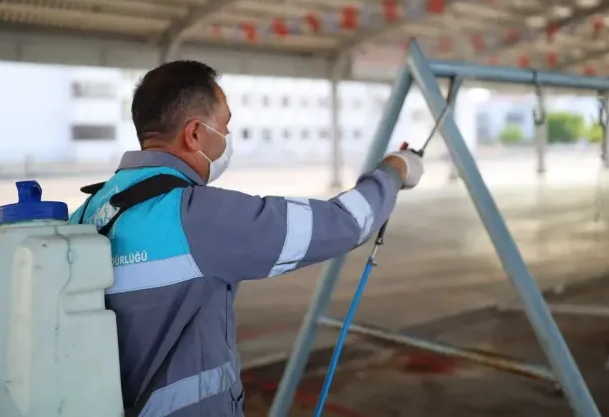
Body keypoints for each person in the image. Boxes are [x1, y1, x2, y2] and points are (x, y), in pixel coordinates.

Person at [69, 60, 424, 416]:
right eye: (224, 126)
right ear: (194, 134)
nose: (227, 138)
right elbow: (344, 223)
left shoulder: (89, 210)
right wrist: (394, 171)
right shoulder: (196, 217)